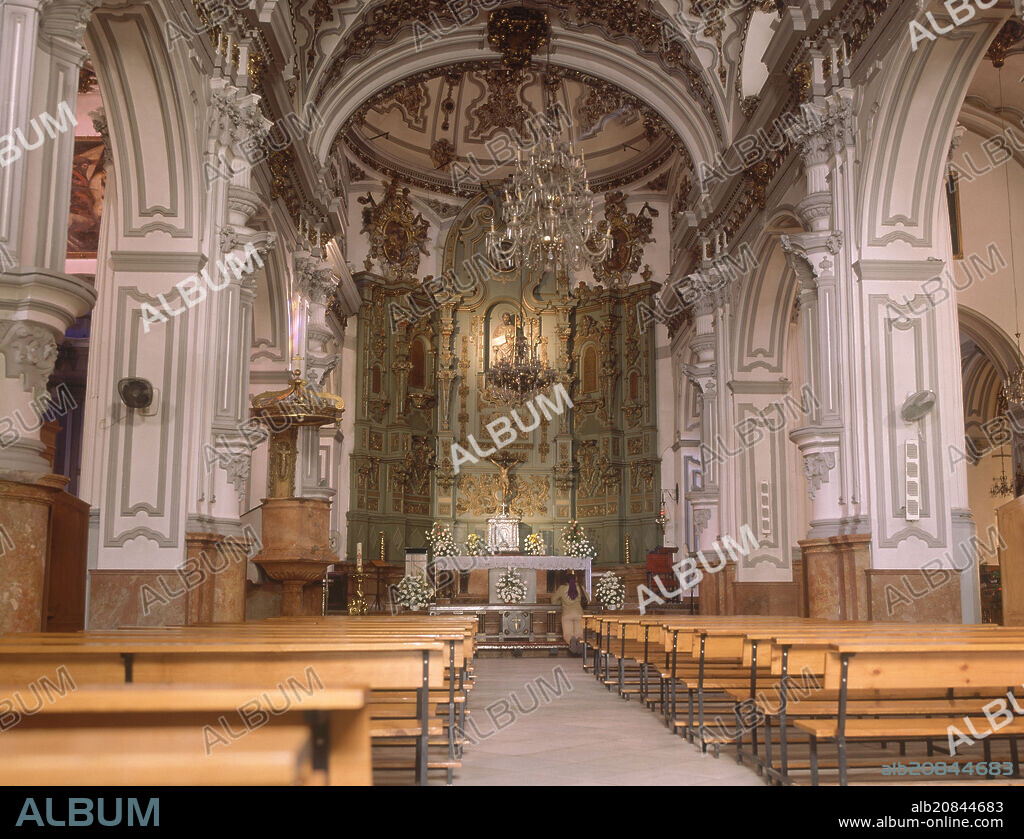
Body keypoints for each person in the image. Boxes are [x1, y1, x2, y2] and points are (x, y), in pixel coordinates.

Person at [550, 571, 586, 654]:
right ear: (575, 579)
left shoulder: (562, 588)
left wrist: (561, 603)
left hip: (567, 614)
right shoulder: (580, 587)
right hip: (579, 613)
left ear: (566, 580)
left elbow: (553, 600)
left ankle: (571, 641)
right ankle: (580, 641)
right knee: (579, 633)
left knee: (567, 634)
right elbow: (588, 600)